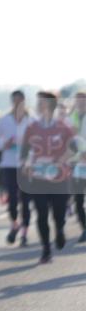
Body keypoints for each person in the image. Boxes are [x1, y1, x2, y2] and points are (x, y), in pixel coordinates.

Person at [21, 91, 77, 264]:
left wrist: (61, 159)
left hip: (59, 176)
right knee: (42, 213)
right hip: (39, 176)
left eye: (42, 103)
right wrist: (26, 164)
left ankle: (59, 229)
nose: (39, 105)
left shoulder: (63, 126)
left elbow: (74, 147)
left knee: (58, 212)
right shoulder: (32, 127)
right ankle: (46, 249)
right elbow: (24, 150)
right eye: (38, 103)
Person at [0, 90, 33, 246]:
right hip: (9, 164)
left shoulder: (32, 121)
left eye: (19, 101)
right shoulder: (4, 120)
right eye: (14, 101)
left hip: (26, 165)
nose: (17, 104)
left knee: (26, 200)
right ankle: (14, 224)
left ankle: (24, 233)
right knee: (12, 199)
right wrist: (5, 144)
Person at [72, 92, 86, 242]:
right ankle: (84, 228)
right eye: (78, 101)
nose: (81, 103)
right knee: (78, 200)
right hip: (78, 165)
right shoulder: (73, 118)